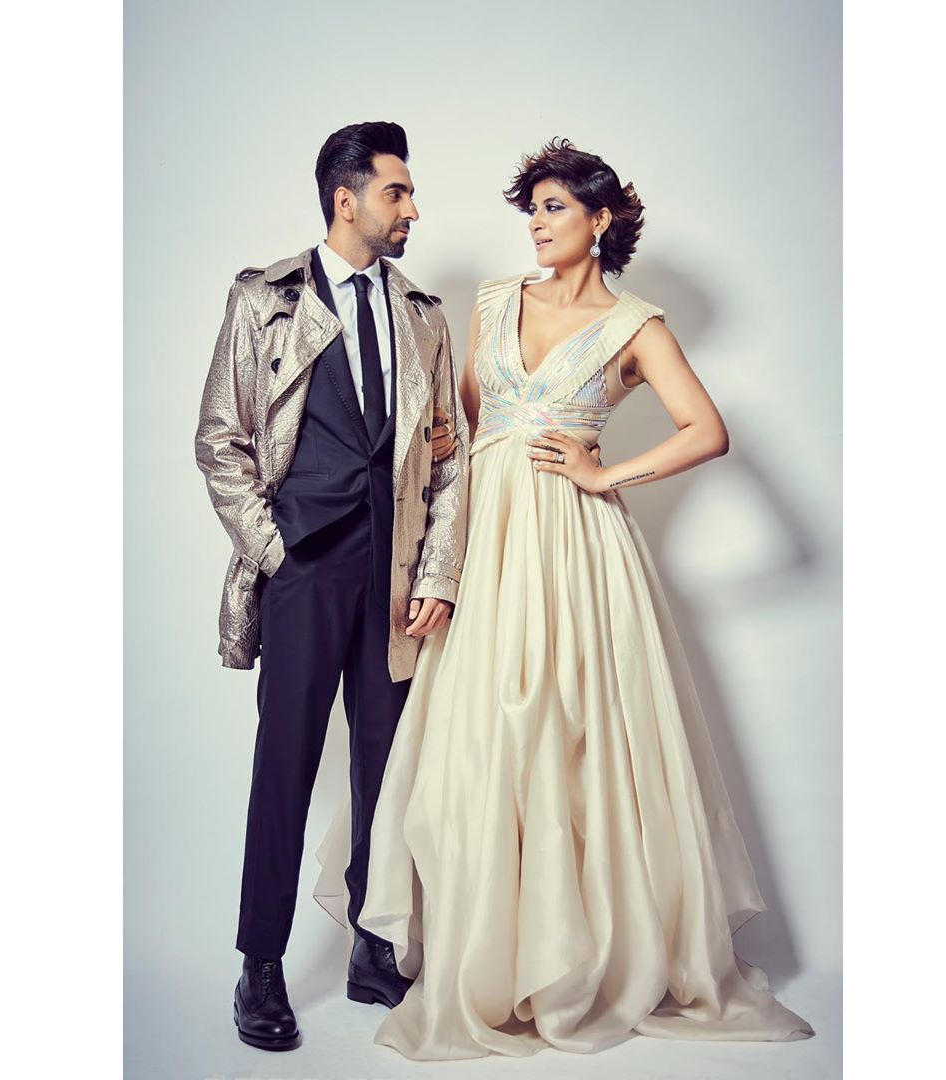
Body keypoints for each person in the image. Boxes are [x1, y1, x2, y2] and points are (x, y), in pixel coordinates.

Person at [316, 137, 816, 1058]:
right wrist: (432, 549)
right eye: (533, 209)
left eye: (554, 208)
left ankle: (573, 955)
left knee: (572, 732)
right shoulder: (495, 301)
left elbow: (707, 431)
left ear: (601, 219)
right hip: (488, 541)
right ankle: (475, 947)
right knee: (476, 734)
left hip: (579, 549)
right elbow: (462, 432)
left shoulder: (636, 327)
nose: (538, 225)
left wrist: (605, 473)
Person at [194, 120, 468, 1052]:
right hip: (304, 568)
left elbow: (449, 460)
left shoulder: (423, 314)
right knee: (287, 764)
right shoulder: (265, 299)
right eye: (397, 191)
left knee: (386, 770)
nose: (412, 208)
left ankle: (372, 943)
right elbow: (220, 440)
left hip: (394, 575)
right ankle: (261, 964)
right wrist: (275, 551)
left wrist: (438, 572)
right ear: (345, 200)